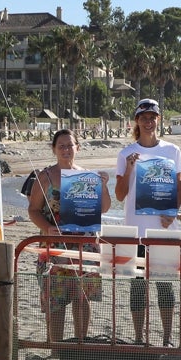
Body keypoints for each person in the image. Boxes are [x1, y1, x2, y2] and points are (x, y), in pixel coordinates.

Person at [27, 128, 111, 343]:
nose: (66, 149)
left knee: (82, 298)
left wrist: (103, 186)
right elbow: (33, 210)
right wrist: (46, 228)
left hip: (85, 246)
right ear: (54, 149)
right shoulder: (44, 176)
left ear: (78, 148)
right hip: (55, 245)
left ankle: (80, 345)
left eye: (70, 145)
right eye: (61, 146)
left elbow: (103, 208)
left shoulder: (88, 176)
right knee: (56, 300)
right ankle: (56, 347)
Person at [114, 98, 181, 346]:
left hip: (164, 231)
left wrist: (172, 212)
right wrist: (131, 167)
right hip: (136, 232)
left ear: (158, 119)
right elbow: (120, 195)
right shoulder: (125, 154)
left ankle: (166, 338)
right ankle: (138, 337)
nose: (148, 121)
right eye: (143, 117)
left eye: (152, 116)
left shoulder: (172, 151)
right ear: (136, 121)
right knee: (138, 288)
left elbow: (179, 189)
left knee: (165, 287)